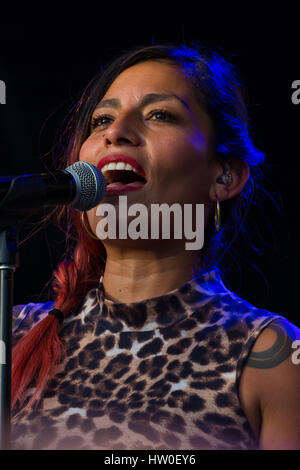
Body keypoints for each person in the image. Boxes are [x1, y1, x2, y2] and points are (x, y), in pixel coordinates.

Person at [11, 43, 300, 451]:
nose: (115, 131)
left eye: (160, 115)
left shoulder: (272, 355)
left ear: (225, 176)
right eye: (102, 119)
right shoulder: (15, 335)